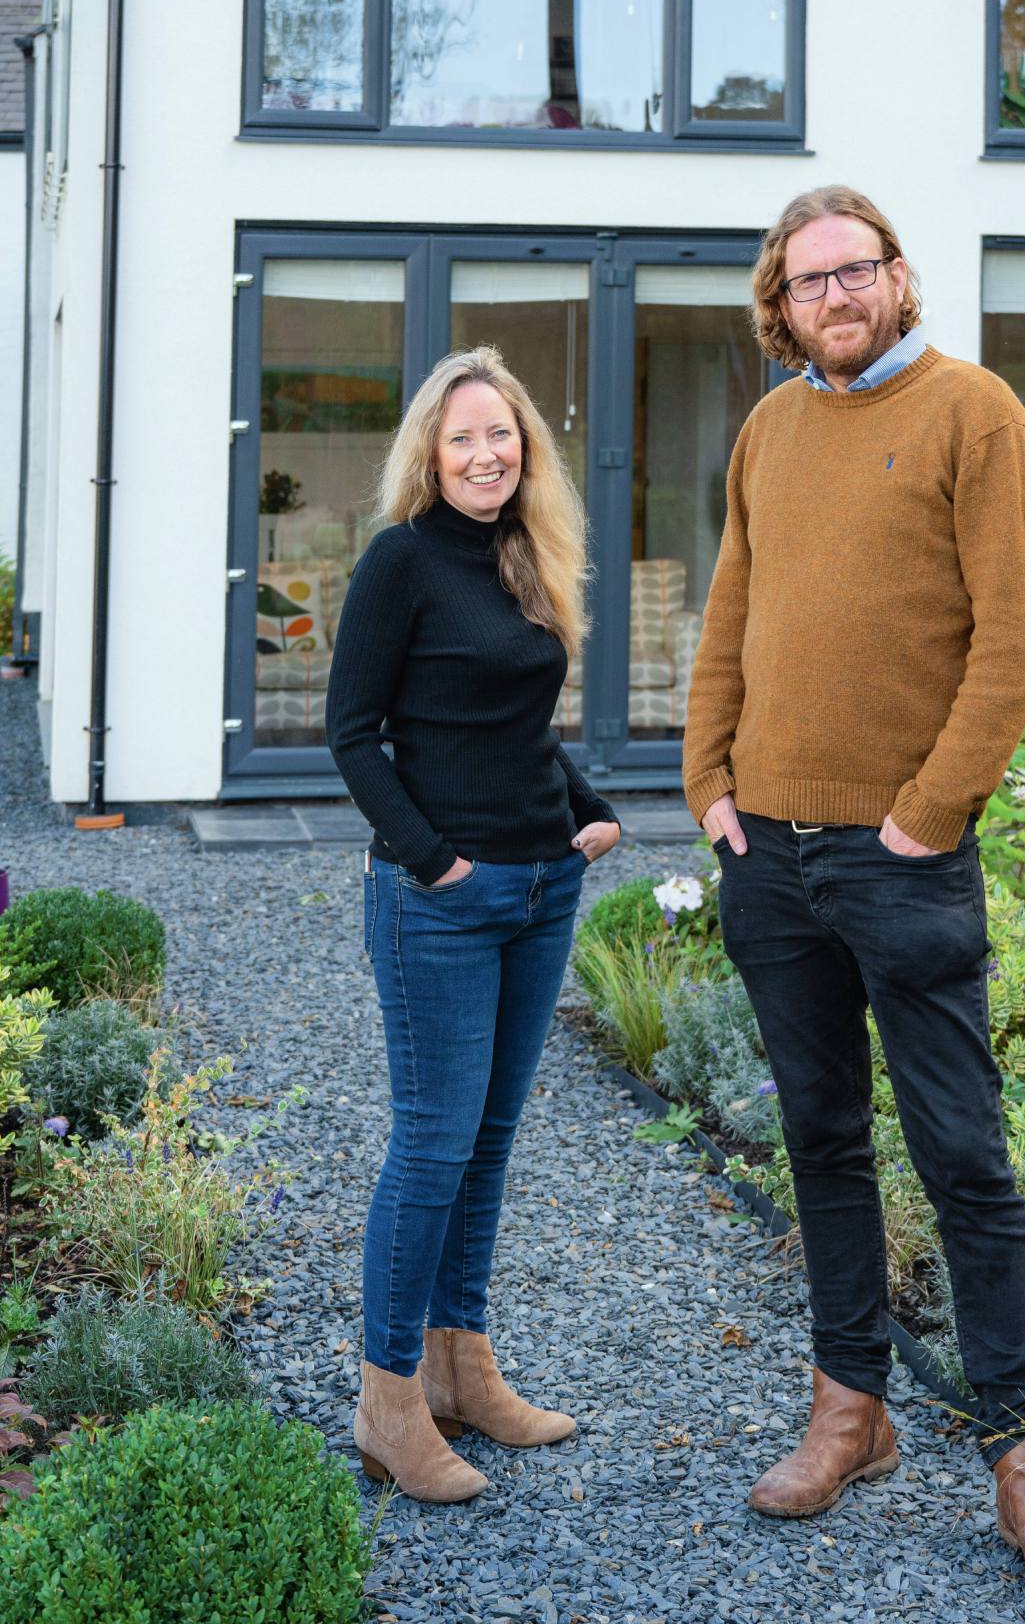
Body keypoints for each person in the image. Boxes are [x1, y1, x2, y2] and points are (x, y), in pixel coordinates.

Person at [680, 185, 1025, 1605]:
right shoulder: (770, 429)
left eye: (855, 270)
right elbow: (731, 610)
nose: (835, 296)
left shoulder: (976, 415)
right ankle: (848, 1413)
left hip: (902, 855)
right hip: (773, 856)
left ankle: (1021, 1458)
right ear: (780, 307)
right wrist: (708, 784)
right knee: (821, 1141)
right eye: (807, 282)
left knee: (965, 1158)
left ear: (899, 278)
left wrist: (929, 814)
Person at [328, 345, 624, 1503]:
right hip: (441, 907)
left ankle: (463, 1368)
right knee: (431, 1146)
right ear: (429, 453)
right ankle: (388, 1401)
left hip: (541, 890)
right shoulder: (399, 561)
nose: (485, 454)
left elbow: (513, 726)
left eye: (501, 436)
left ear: (525, 450)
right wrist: (435, 863)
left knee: (488, 1144)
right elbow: (354, 734)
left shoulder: (522, 558)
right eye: (462, 438)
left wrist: (587, 815)